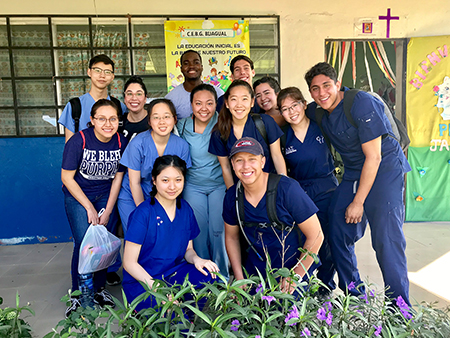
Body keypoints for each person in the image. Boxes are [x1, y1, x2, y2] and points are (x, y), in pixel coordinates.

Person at [304, 62, 412, 304]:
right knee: (336, 229)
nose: (322, 93)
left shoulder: (361, 102)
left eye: (326, 86)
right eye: (314, 89)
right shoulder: (318, 110)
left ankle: (400, 308)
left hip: (384, 170)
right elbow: (291, 112)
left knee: (386, 240)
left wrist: (358, 202)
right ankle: (354, 296)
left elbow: (374, 157)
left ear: (337, 84)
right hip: (355, 172)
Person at [223, 137, 323, 293]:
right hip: (258, 268)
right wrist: (239, 278)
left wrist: (295, 276)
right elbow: (232, 237)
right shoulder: (232, 196)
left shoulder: (287, 189)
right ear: (233, 166)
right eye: (239, 160)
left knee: (288, 313)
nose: (246, 166)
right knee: (250, 313)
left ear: (263, 162)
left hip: (292, 265)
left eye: (252, 159)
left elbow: (316, 236)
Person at [122, 155, 219, 312]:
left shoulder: (185, 209)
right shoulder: (143, 213)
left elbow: (188, 250)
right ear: (154, 180)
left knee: (207, 276)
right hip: (143, 280)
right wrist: (158, 289)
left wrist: (197, 259)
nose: (172, 186)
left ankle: (189, 312)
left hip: (173, 273)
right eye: (165, 180)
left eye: (178, 180)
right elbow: (129, 263)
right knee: (174, 320)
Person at [61, 99, 128, 317]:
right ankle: (79, 294)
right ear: (92, 120)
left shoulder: (120, 141)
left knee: (103, 244)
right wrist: (89, 207)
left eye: (113, 119)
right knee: (84, 244)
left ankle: (99, 289)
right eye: (102, 118)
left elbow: (118, 178)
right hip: (79, 195)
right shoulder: (79, 141)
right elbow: (67, 178)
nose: (108, 123)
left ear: (119, 120)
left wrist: (108, 210)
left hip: (105, 196)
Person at [278, 86, 338, 296]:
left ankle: (325, 286)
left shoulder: (321, 125)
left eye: (294, 105)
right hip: (301, 191)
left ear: (304, 104)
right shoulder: (283, 137)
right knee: (307, 240)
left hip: (327, 187)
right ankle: (303, 285)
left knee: (329, 240)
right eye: (285, 109)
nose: (291, 111)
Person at [177, 84, 229, 279]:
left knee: (218, 231)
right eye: (198, 103)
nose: (204, 108)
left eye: (209, 103)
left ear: (216, 104)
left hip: (218, 185)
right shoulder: (181, 126)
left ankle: (222, 278)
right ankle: (204, 277)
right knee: (198, 231)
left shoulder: (223, 123)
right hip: (193, 186)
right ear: (191, 105)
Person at [117, 99, 191, 234]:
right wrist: (144, 213)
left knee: (161, 238)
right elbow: (134, 183)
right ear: (149, 121)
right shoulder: (138, 143)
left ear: (175, 120)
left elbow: (180, 182)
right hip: (133, 195)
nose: (162, 121)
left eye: (166, 117)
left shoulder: (182, 146)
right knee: (138, 235)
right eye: (156, 117)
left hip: (164, 196)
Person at [208, 80, 287, 189]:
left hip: (270, 187)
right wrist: (233, 195)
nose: (239, 105)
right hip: (241, 190)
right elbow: (225, 167)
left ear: (252, 102)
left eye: (244, 99)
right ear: (226, 103)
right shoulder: (219, 132)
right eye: (234, 99)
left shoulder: (265, 122)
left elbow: (277, 156)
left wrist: (284, 185)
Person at [58, 54, 127, 142]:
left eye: (107, 72)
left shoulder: (119, 107)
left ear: (112, 76)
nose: (102, 75)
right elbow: (69, 145)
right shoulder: (75, 106)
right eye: (97, 70)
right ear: (89, 72)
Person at [165, 50, 224, 119]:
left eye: (196, 62)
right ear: (181, 69)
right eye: (186, 63)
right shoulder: (171, 98)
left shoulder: (218, 94)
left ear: (201, 67)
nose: (191, 66)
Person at [119, 75, 149, 142]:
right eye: (129, 94)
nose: (134, 98)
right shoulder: (119, 123)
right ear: (124, 98)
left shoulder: (154, 121)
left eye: (139, 94)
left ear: (145, 98)